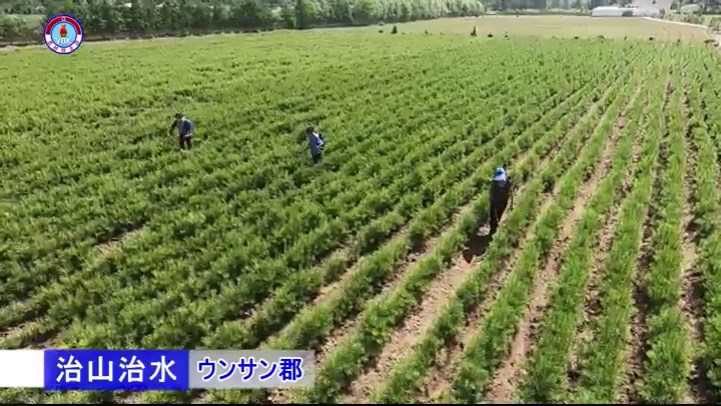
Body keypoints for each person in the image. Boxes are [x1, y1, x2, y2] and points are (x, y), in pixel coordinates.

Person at [489, 166, 514, 236]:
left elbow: (511, 192)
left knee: (498, 214)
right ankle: (493, 228)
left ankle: (495, 226)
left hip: (501, 201)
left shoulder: (507, 182)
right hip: (496, 201)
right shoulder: (495, 182)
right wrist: (490, 198)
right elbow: (491, 191)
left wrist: (512, 203)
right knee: (494, 216)